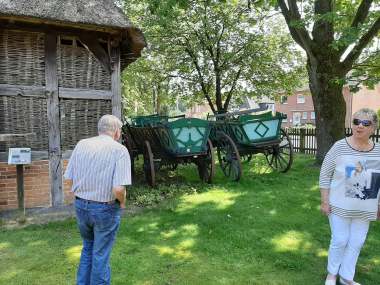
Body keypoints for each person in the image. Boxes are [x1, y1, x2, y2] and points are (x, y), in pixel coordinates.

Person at [64, 114, 131, 285]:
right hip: (105, 209)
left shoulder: (81, 145)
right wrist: (122, 202)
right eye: (120, 130)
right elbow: (118, 189)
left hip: (81, 206)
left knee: (88, 248)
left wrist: (81, 197)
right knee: (100, 254)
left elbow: (69, 179)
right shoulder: (119, 150)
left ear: (100, 129)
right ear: (116, 131)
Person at [320, 108, 380, 285]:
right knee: (340, 239)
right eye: (356, 122)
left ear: (373, 127)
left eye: (365, 123)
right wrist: (324, 201)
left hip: (366, 207)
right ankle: (332, 274)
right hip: (339, 205)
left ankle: (347, 277)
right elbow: (325, 174)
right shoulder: (339, 146)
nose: (359, 126)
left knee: (357, 242)